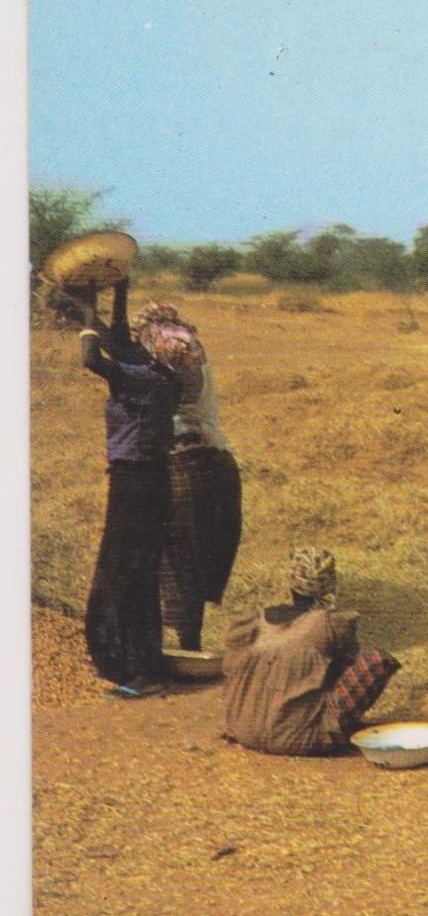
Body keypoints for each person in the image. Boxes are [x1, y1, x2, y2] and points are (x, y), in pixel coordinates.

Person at [79, 276, 178, 699]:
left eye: (144, 336)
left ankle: (138, 671)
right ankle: (141, 667)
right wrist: (114, 288)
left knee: (125, 574)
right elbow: (117, 335)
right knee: (134, 573)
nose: (135, 338)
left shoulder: (150, 379)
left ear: (154, 346)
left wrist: (86, 323)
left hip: (138, 484)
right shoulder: (155, 371)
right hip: (138, 481)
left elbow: (92, 358)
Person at [132, 302, 242, 654]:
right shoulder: (194, 350)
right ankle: (189, 643)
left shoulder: (166, 362)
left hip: (183, 466)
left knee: (176, 563)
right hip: (220, 465)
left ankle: (186, 648)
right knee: (195, 561)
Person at [222, 548, 400, 756]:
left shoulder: (255, 622)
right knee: (377, 662)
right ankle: (330, 730)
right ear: (330, 585)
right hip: (299, 739)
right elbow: (344, 670)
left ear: (292, 583)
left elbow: (231, 670)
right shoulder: (329, 624)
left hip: (244, 731)